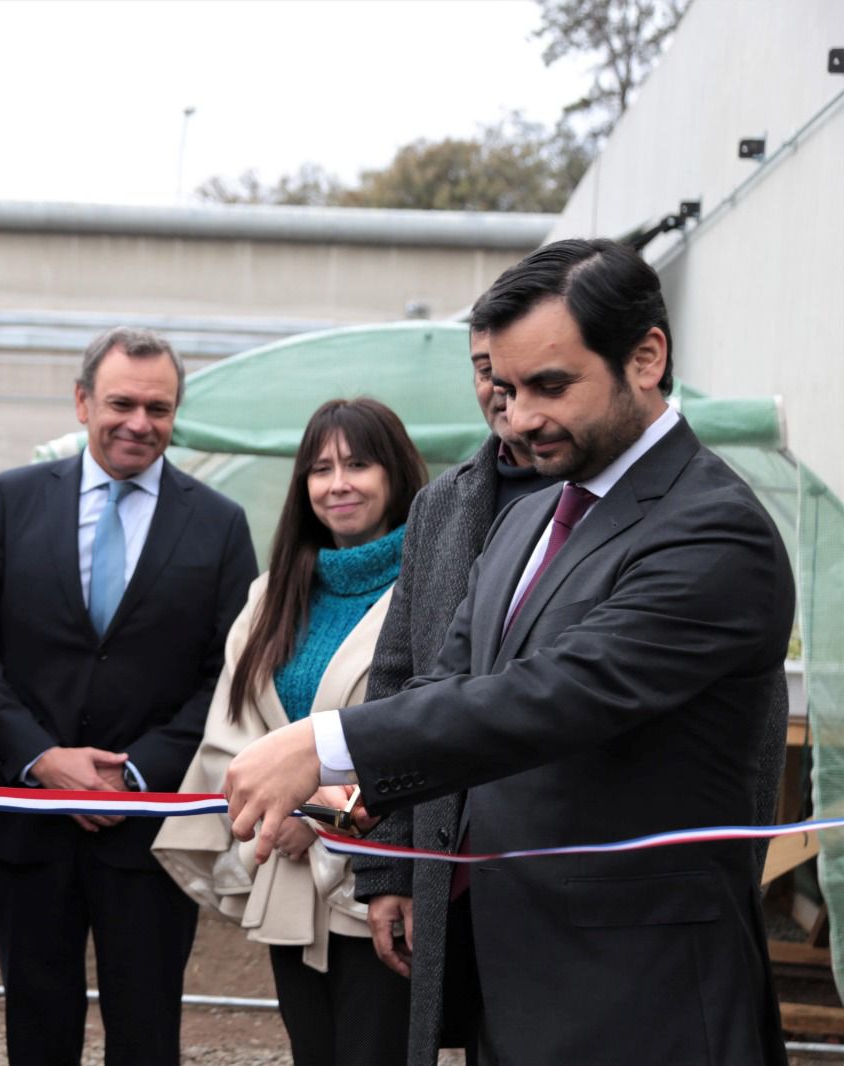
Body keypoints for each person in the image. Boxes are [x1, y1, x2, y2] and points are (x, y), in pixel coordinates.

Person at [224, 239, 795, 1064]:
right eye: (506, 386)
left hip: (646, 994)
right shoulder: (530, 518)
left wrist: (322, 746)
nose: (521, 417)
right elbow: (447, 680)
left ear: (646, 358)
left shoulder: (714, 531)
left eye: (551, 386)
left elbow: (553, 696)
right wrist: (358, 807)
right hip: (511, 974)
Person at [0, 327, 257, 1065]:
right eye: (121, 403)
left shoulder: (218, 523)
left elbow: (233, 668)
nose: (139, 423)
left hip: (151, 827)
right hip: (30, 818)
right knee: (36, 1024)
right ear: (83, 401)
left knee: (147, 1029)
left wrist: (140, 769)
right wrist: (41, 757)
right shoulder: (13, 500)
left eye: (159, 407)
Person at [153, 398, 427, 1066]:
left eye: (359, 464)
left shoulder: (430, 591)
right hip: (289, 872)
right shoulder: (274, 593)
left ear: (396, 476)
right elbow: (237, 725)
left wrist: (323, 808)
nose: (338, 483)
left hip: (381, 884)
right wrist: (270, 815)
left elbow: (434, 726)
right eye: (321, 468)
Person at [348, 323, 555, 1064]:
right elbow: (398, 679)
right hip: (452, 865)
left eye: (530, 370)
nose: (502, 386)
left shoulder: (609, 505)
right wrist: (387, 870)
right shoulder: (443, 506)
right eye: (484, 367)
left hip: (561, 863)